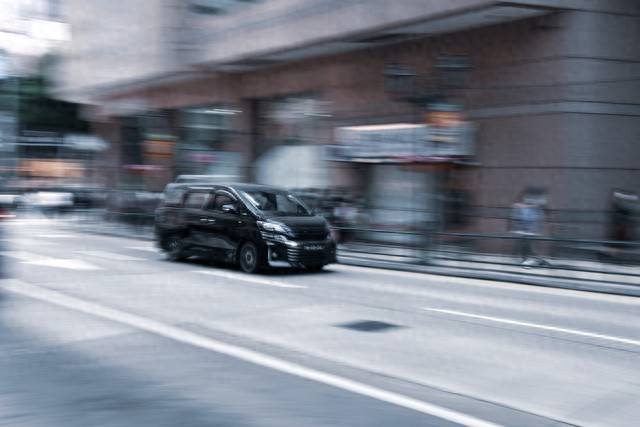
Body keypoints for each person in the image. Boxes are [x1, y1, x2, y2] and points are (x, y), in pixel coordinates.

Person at [511, 192, 549, 267]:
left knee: (531, 247)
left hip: (531, 231)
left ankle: (538, 260)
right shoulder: (526, 208)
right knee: (525, 245)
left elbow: (536, 218)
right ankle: (527, 260)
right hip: (526, 230)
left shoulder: (535, 209)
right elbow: (520, 216)